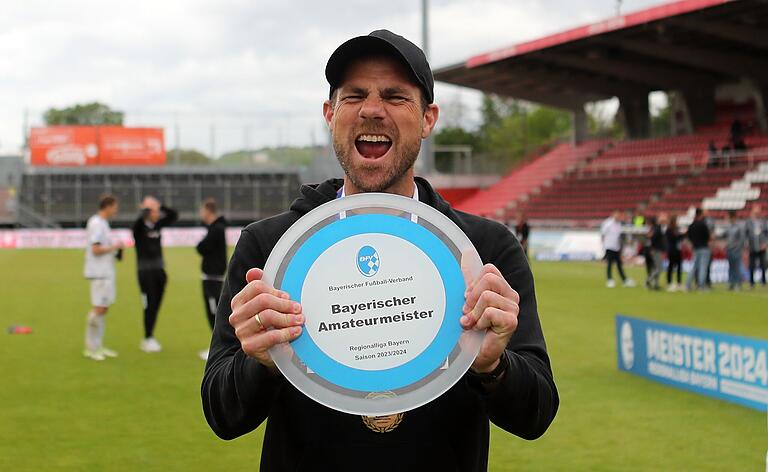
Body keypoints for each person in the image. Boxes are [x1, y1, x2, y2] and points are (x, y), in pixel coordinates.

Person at [202, 30, 558, 472]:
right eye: (354, 96)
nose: (372, 109)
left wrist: (494, 366)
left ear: (428, 119)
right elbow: (222, 414)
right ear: (330, 114)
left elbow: (536, 414)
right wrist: (261, 362)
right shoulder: (272, 248)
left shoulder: (484, 250)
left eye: (395, 96)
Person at [132, 196, 178, 352]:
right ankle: (147, 337)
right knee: (149, 305)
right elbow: (138, 221)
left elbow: (173, 215)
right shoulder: (139, 228)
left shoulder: (157, 226)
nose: (157, 213)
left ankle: (150, 336)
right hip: (145, 273)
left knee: (156, 304)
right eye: (154, 211)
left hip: (159, 271)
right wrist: (146, 207)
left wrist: (159, 204)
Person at [83, 194, 123, 361]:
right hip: (99, 273)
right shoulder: (96, 223)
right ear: (107, 206)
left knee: (104, 308)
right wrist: (114, 246)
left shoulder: (104, 223)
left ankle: (98, 345)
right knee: (98, 308)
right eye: (115, 206)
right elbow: (95, 249)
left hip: (106, 272)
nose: (116, 209)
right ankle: (90, 348)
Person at [196, 198, 228, 360]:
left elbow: (202, 247)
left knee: (213, 312)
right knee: (213, 311)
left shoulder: (216, 229)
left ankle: (216, 348)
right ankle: (216, 346)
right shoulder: (216, 228)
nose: (201, 213)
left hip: (213, 277)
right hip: (213, 276)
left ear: (208, 210)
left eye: (202, 210)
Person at [601, 210, 634, 288]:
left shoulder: (620, 224)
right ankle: (610, 280)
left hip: (617, 247)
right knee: (610, 263)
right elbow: (602, 234)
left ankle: (624, 280)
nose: (618, 217)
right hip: (609, 246)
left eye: (619, 216)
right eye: (617, 215)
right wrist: (604, 246)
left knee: (619, 264)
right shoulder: (608, 223)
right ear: (613, 215)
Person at [685, 208, 711, 292]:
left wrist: (693, 243)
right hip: (704, 247)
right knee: (703, 267)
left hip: (695, 248)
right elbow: (708, 236)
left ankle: (688, 285)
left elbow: (688, 235)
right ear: (700, 214)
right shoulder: (703, 224)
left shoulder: (692, 225)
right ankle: (700, 286)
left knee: (694, 267)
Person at [745, 204, 767, 288]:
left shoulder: (763, 221)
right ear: (752, 212)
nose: (757, 213)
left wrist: (765, 243)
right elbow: (746, 234)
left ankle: (763, 282)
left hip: (762, 247)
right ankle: (751, 282)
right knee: (751, 265)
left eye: (758, 211)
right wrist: (747, 245)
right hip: (752, 247)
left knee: (763, 265)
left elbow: (766, 233)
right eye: (755, 211)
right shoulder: (749, 222)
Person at [724, 210, 746, 290]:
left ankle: (738, 284)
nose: (728, 219)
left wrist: (738, 248)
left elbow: (742, 239)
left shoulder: (739, 226)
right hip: (729, 250)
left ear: (733, 217)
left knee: (737, 267)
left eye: (729, 217)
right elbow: (727, 237)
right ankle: (731, 284)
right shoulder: (729, 226)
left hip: (736, 250)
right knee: (731, 267)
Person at [645, 214, 666, 290]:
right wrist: (652, 248)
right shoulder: (657, 228)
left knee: (656, 268)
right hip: (656, 250)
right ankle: (648, 280)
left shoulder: (655, 228)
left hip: (655, 250)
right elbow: (653, 239)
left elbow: (650, 237)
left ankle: (655, 284)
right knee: (659, 268)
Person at [665, 214, 683, 291]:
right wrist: (679, 235)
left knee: (679, 266)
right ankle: (669, 283)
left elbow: (679, 237)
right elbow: (673, 238)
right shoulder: (669, 230)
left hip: (678, 250)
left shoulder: (677, 229)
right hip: (672, 250)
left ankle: (679, 283)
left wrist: (682, 235)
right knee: (671, 266)